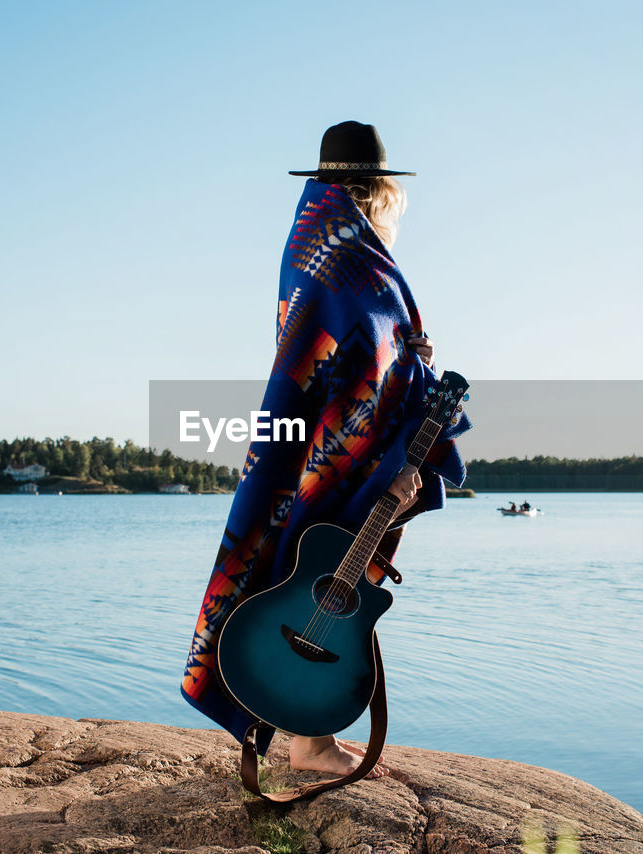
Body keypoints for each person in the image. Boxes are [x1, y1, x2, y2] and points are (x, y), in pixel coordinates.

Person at [181, 121, 468, 781]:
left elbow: (363, 351)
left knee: (301, 579)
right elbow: (367, 361)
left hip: (313, 441)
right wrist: (407, 389)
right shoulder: (350, 256)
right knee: (318, 581)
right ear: (379, 192)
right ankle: (307, 742)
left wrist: (411, 362)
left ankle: (298, 734)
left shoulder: (312, 242)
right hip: (339, 453)